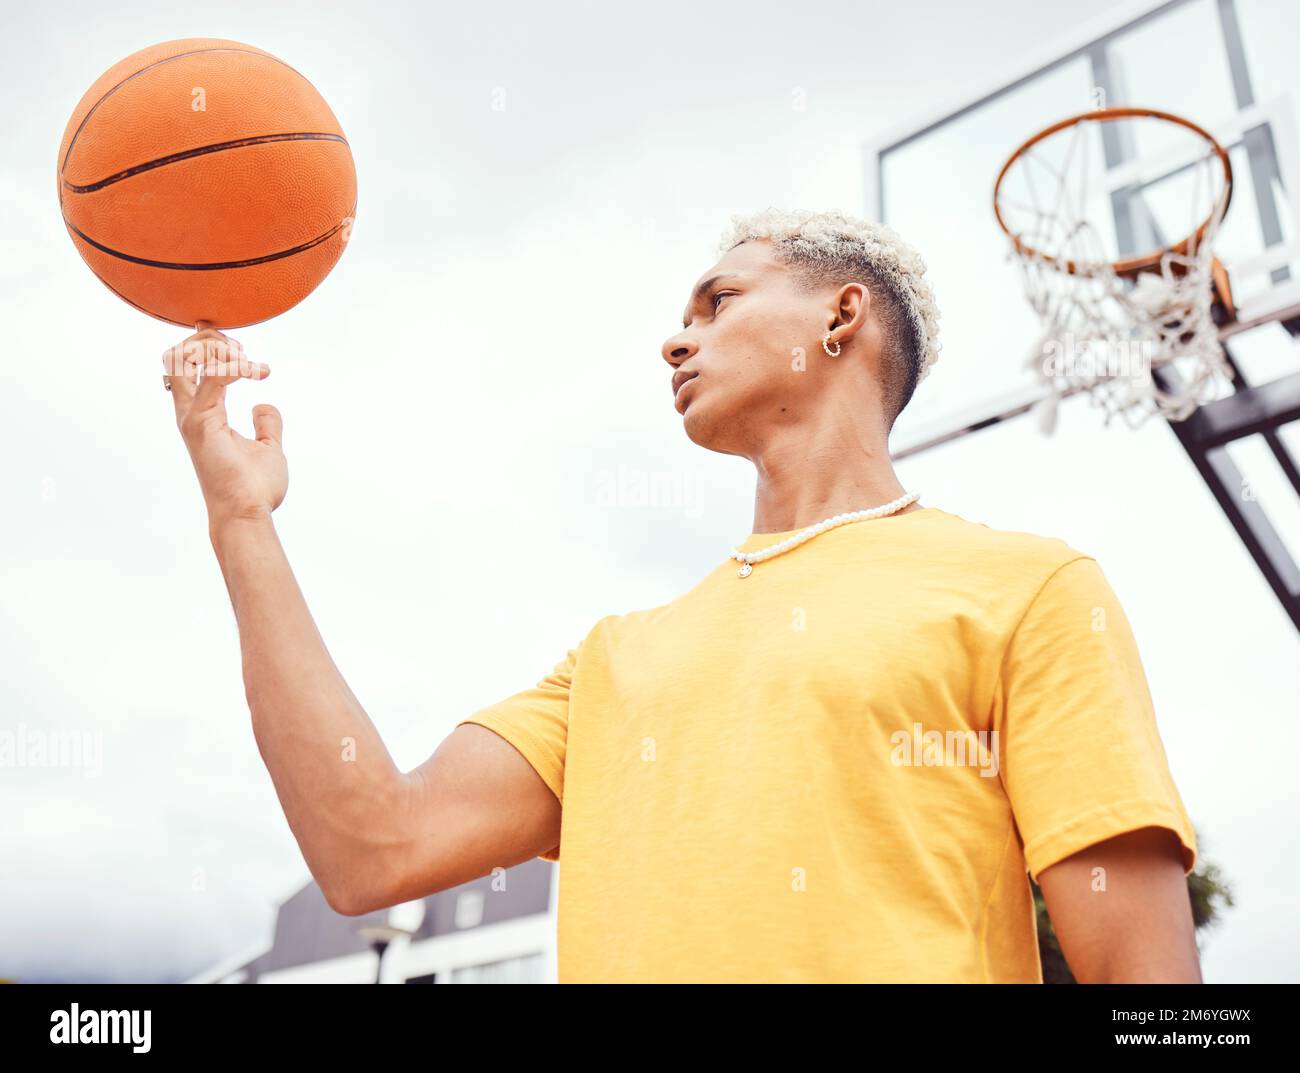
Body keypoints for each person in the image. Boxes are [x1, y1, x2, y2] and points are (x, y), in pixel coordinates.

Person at [163, 208, 1201, 983]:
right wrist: (240, 522)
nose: (675, 339)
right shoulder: (618, 658)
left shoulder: (1026, 590)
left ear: (842, 315)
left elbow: (1144, 978)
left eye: (718, 302)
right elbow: (371, 846)